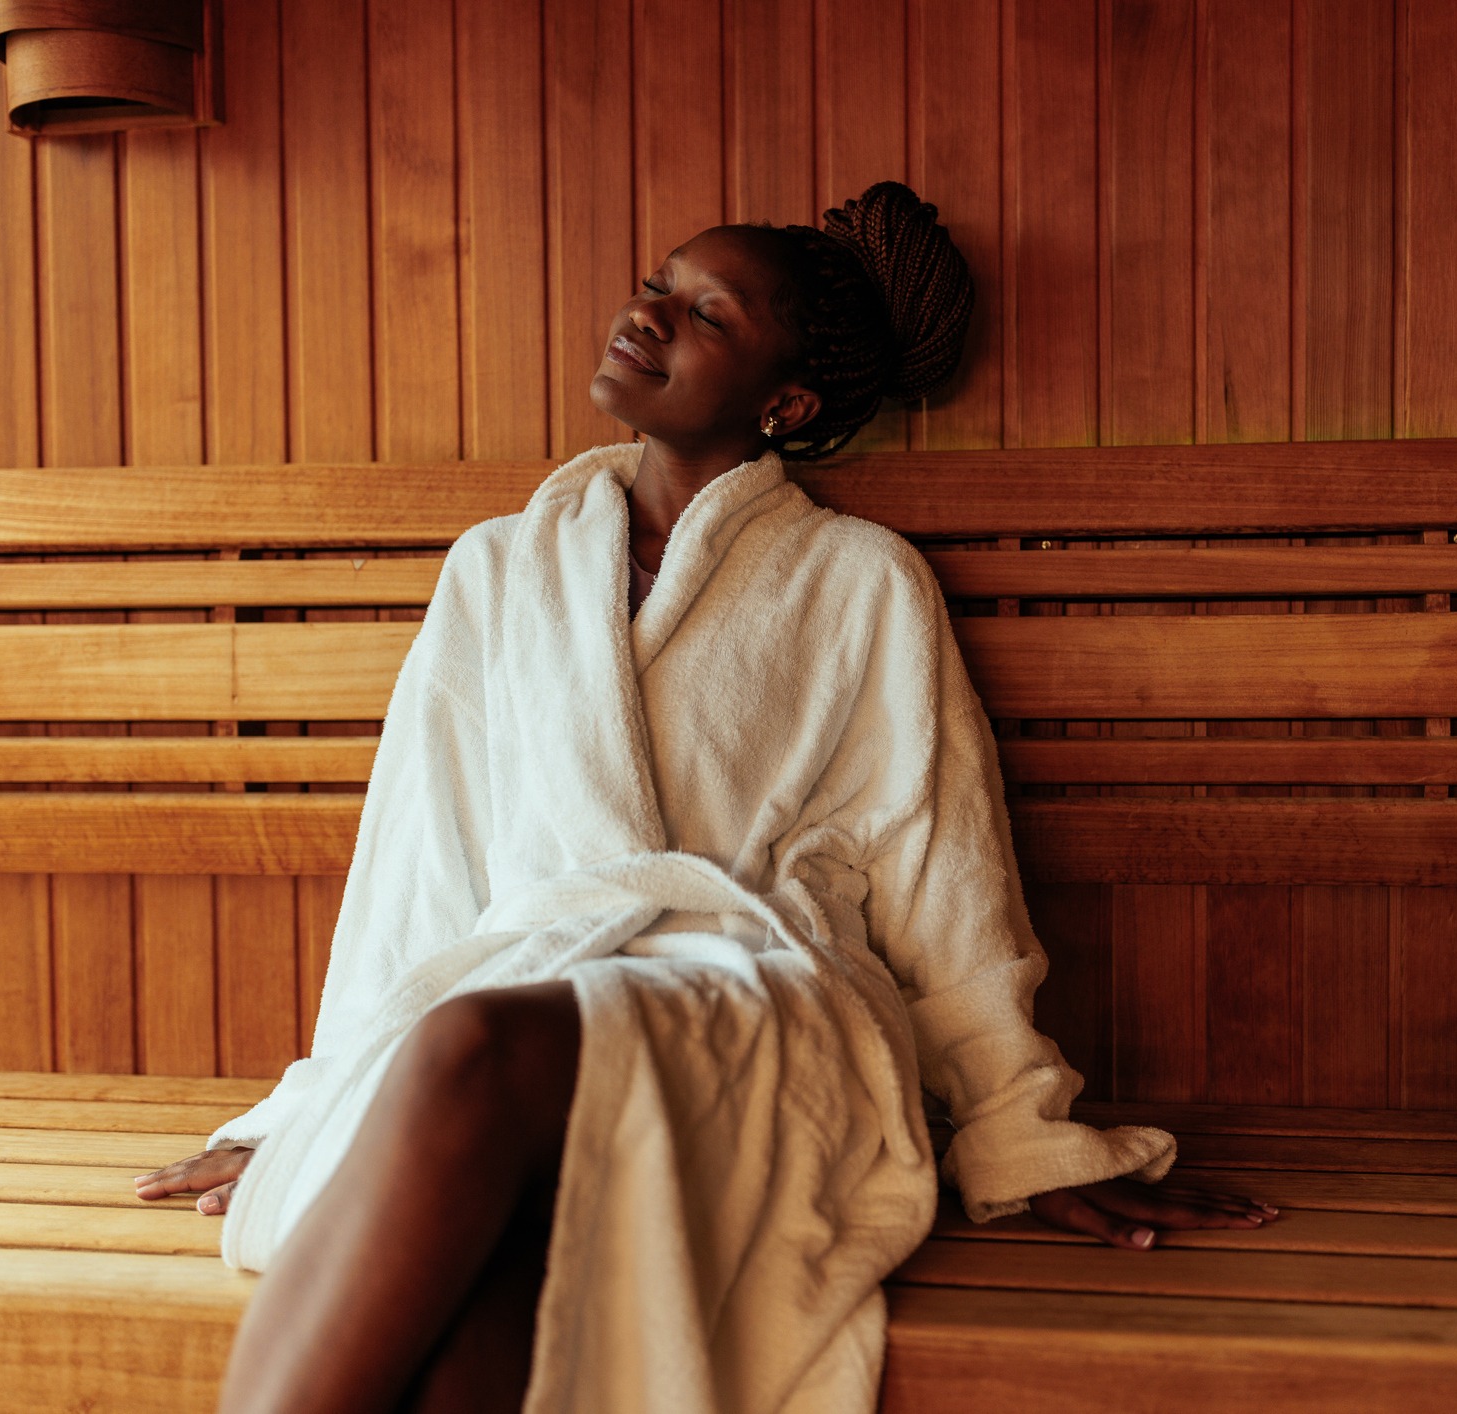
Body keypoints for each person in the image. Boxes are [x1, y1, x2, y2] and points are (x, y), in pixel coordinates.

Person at [135, 181, 1278, 1414]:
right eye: (656, 283)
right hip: (541, 992)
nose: (649, 314)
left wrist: (1016, 1128)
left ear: (784, 404)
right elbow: (420, 863)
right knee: (488, 1283)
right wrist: (321, 1098)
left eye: (706, 313)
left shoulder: (858, 582)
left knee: (469, 1046)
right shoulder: (499, 569)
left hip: (759, 1000)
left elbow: (939, 868)